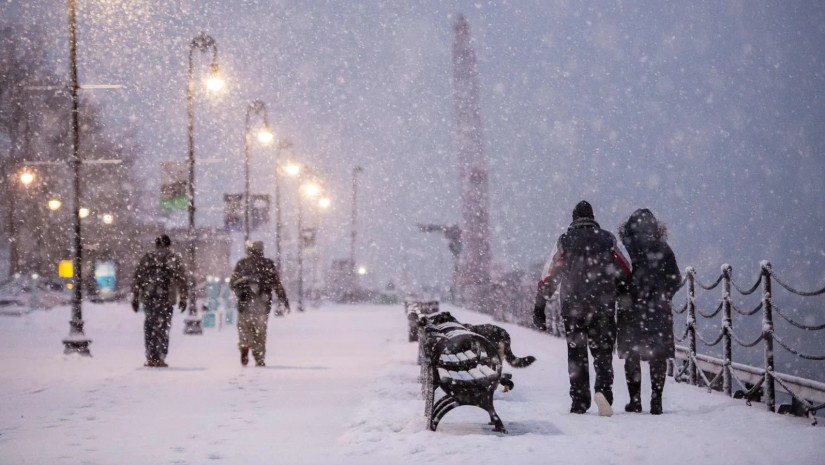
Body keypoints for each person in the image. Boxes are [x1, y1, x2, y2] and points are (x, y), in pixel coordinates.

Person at [533, 200, 631, 416]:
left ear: (573, 219)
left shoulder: (565, 242)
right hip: (603, 306)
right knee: (603, 351)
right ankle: (603, 391)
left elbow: (550, 274)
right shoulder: (608, 239)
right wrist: (621, 290)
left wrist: (540, 306)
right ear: (593, 217)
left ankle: (579, 399)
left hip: (573, 307)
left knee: (576, 353)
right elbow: (626, 267)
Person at [617, 208, 681, 415]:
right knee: (658, 355)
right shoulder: (663, 248)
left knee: (632, 356)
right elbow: (675, 278)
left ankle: (635, 401)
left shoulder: (625, 248)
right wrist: (664, 295)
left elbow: (617, 276)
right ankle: (657, 400)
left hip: (631, 309)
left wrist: (623, 295)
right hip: (657, 309)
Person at [131, 234, 189, 367]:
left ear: (156, 244)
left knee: (149, 326)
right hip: (166, 298)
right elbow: (182, 279)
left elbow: (137, 278)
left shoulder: (148, 257)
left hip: (149, 297)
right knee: (163, 328)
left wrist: (135, 297)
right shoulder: (173, 258)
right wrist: (183, 298)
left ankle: (151, 356)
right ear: (169, 244)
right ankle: (161, 357)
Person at [230, 241, 290, 367]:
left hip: (244, 305)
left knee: (244, 329)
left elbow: (232, 283)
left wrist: (241, 287)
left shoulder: (242, 264)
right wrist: (284, 299)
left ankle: (245, 345)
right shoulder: (268, 264)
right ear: (262, 250)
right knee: (260, 333)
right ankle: (259, 357)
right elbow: (276, 284)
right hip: (262, 306)